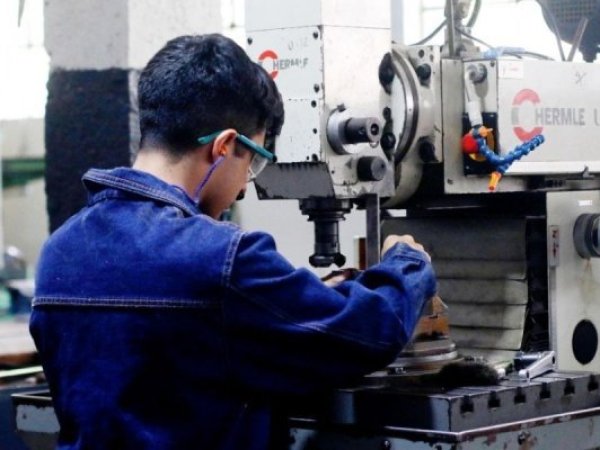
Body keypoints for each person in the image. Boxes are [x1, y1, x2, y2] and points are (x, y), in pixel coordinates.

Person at [30, 34, 436, 450]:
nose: (244, 187)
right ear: (224, 146)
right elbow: (368, 333)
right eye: (253, 161)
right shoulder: (221, 258)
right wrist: (406, 262)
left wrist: (299, 299)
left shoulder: (60, 250)